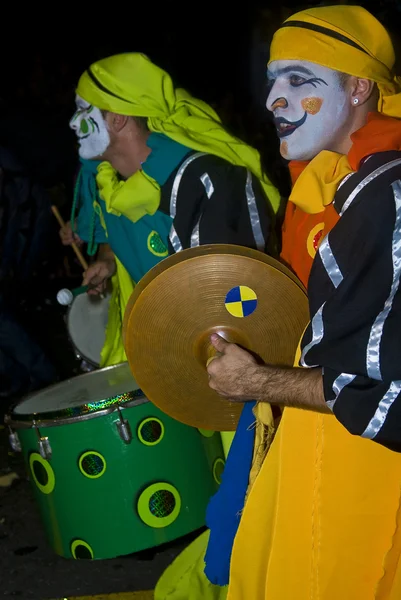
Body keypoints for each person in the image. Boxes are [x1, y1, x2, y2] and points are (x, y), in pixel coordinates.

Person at [206, 5, 401, 599]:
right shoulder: (330, 177)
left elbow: (376, 391)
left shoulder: (382, 198)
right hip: (319, 441)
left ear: (359, 86)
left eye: (300, 80)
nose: (273, 99)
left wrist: (259, 383)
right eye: (273, 79)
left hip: (359, 467)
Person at [61, 53, 280, 370]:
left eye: (83, 110)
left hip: (225, 364)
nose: (72, 122)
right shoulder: (110, 185)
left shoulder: (205, 181)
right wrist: (108, 261)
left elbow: (245, 296)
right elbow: (120, 233)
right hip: (165, 359)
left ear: (118, 118)